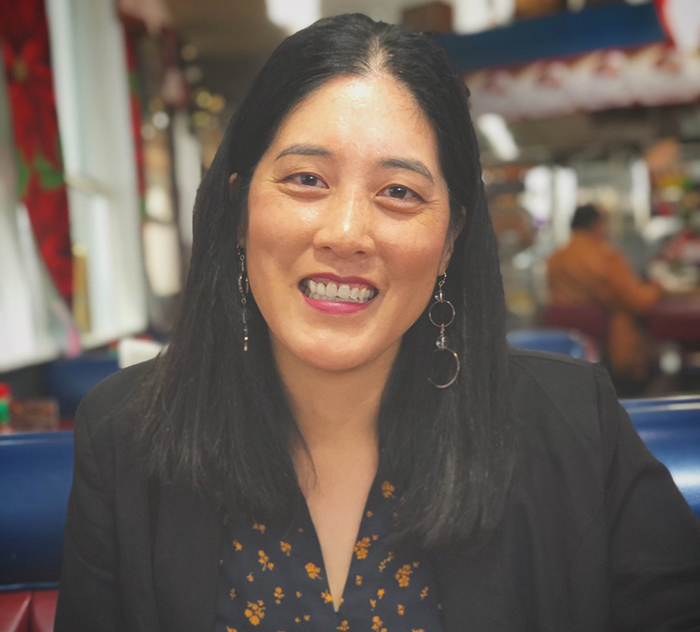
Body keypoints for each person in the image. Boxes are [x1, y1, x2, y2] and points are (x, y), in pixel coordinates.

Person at [55, 15, 700, 632]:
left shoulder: (575, 425)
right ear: (238, 207)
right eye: (306, 179)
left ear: (450, 240)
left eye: (399, 192)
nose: (346, 234)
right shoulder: (124, 436)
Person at [547, 204, 664, 385]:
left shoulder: (555, 258)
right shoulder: (605, 257)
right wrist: (657, 286)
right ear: (597, 225)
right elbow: (638, 301)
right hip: (608, 346)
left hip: (564, 347)